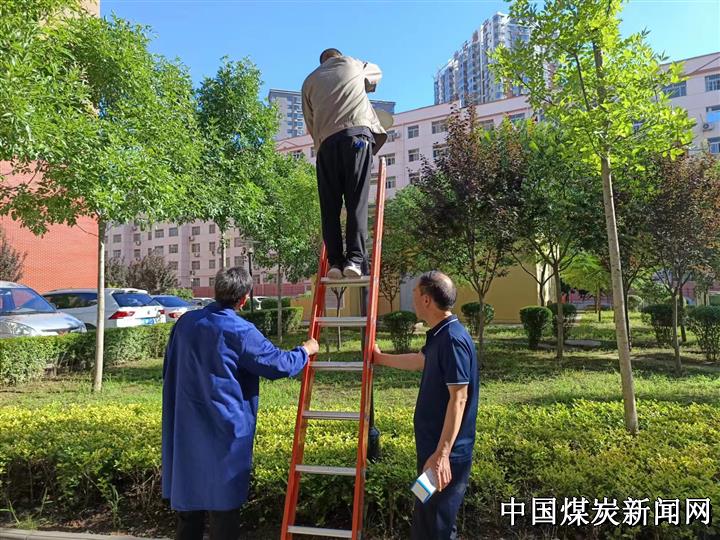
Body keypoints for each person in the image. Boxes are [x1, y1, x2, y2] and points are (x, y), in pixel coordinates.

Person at [161, 267, 319, 540]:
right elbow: (277, 364)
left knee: (189, 508)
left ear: (216, 291)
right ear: (244, 298)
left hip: (187, 428)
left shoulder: (185, 324)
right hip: (225, 431)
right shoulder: (240, 330)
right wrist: (305, 350)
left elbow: (169, 368)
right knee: (223, 510)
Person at [373, 271, 479, 540]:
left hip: (446, 456)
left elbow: (459, 398)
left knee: (438, 526)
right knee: (424, 515)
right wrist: (380, 358)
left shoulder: (453, 340)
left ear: (427, 300)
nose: (413, 300)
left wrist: (442, 454)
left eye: (415, 294)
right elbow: (419, 360)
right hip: (431, 452)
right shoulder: (440, 334)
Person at [302, 47, 387, 279]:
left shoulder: (309, 82)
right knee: (356, 202)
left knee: (329, 208)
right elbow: (376, 74)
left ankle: (335, 263)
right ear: (338, 56)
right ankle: (355, 260)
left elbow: (310, 124)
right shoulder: (353, 63)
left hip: (326, 145)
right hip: (356, 137)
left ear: (321, 62)